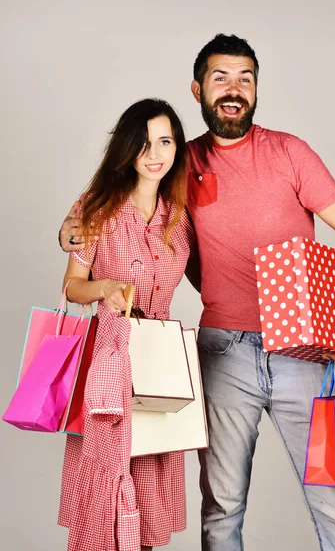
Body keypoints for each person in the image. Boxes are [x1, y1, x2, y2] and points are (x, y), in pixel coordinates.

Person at [60, 35, 335, 551]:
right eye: (220, 78)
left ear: (256, 89)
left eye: (245, 79)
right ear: (197, 89)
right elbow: (112, 201)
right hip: (221, 353)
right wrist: (69, 230)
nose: (233, 90)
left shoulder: (289, 152)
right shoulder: (177, 164)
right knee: (221, 508)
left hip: (302, 351)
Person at [58, 98, 197, 551]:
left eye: (165, 141)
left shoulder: (180, 219)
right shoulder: (96, 208)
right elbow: (73, 286)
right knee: (107, 499)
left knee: (149, 494)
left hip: (162, 363)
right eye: (143, 144)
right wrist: (106, 288)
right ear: (126, 149)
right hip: (111, 362)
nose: (155, 154)